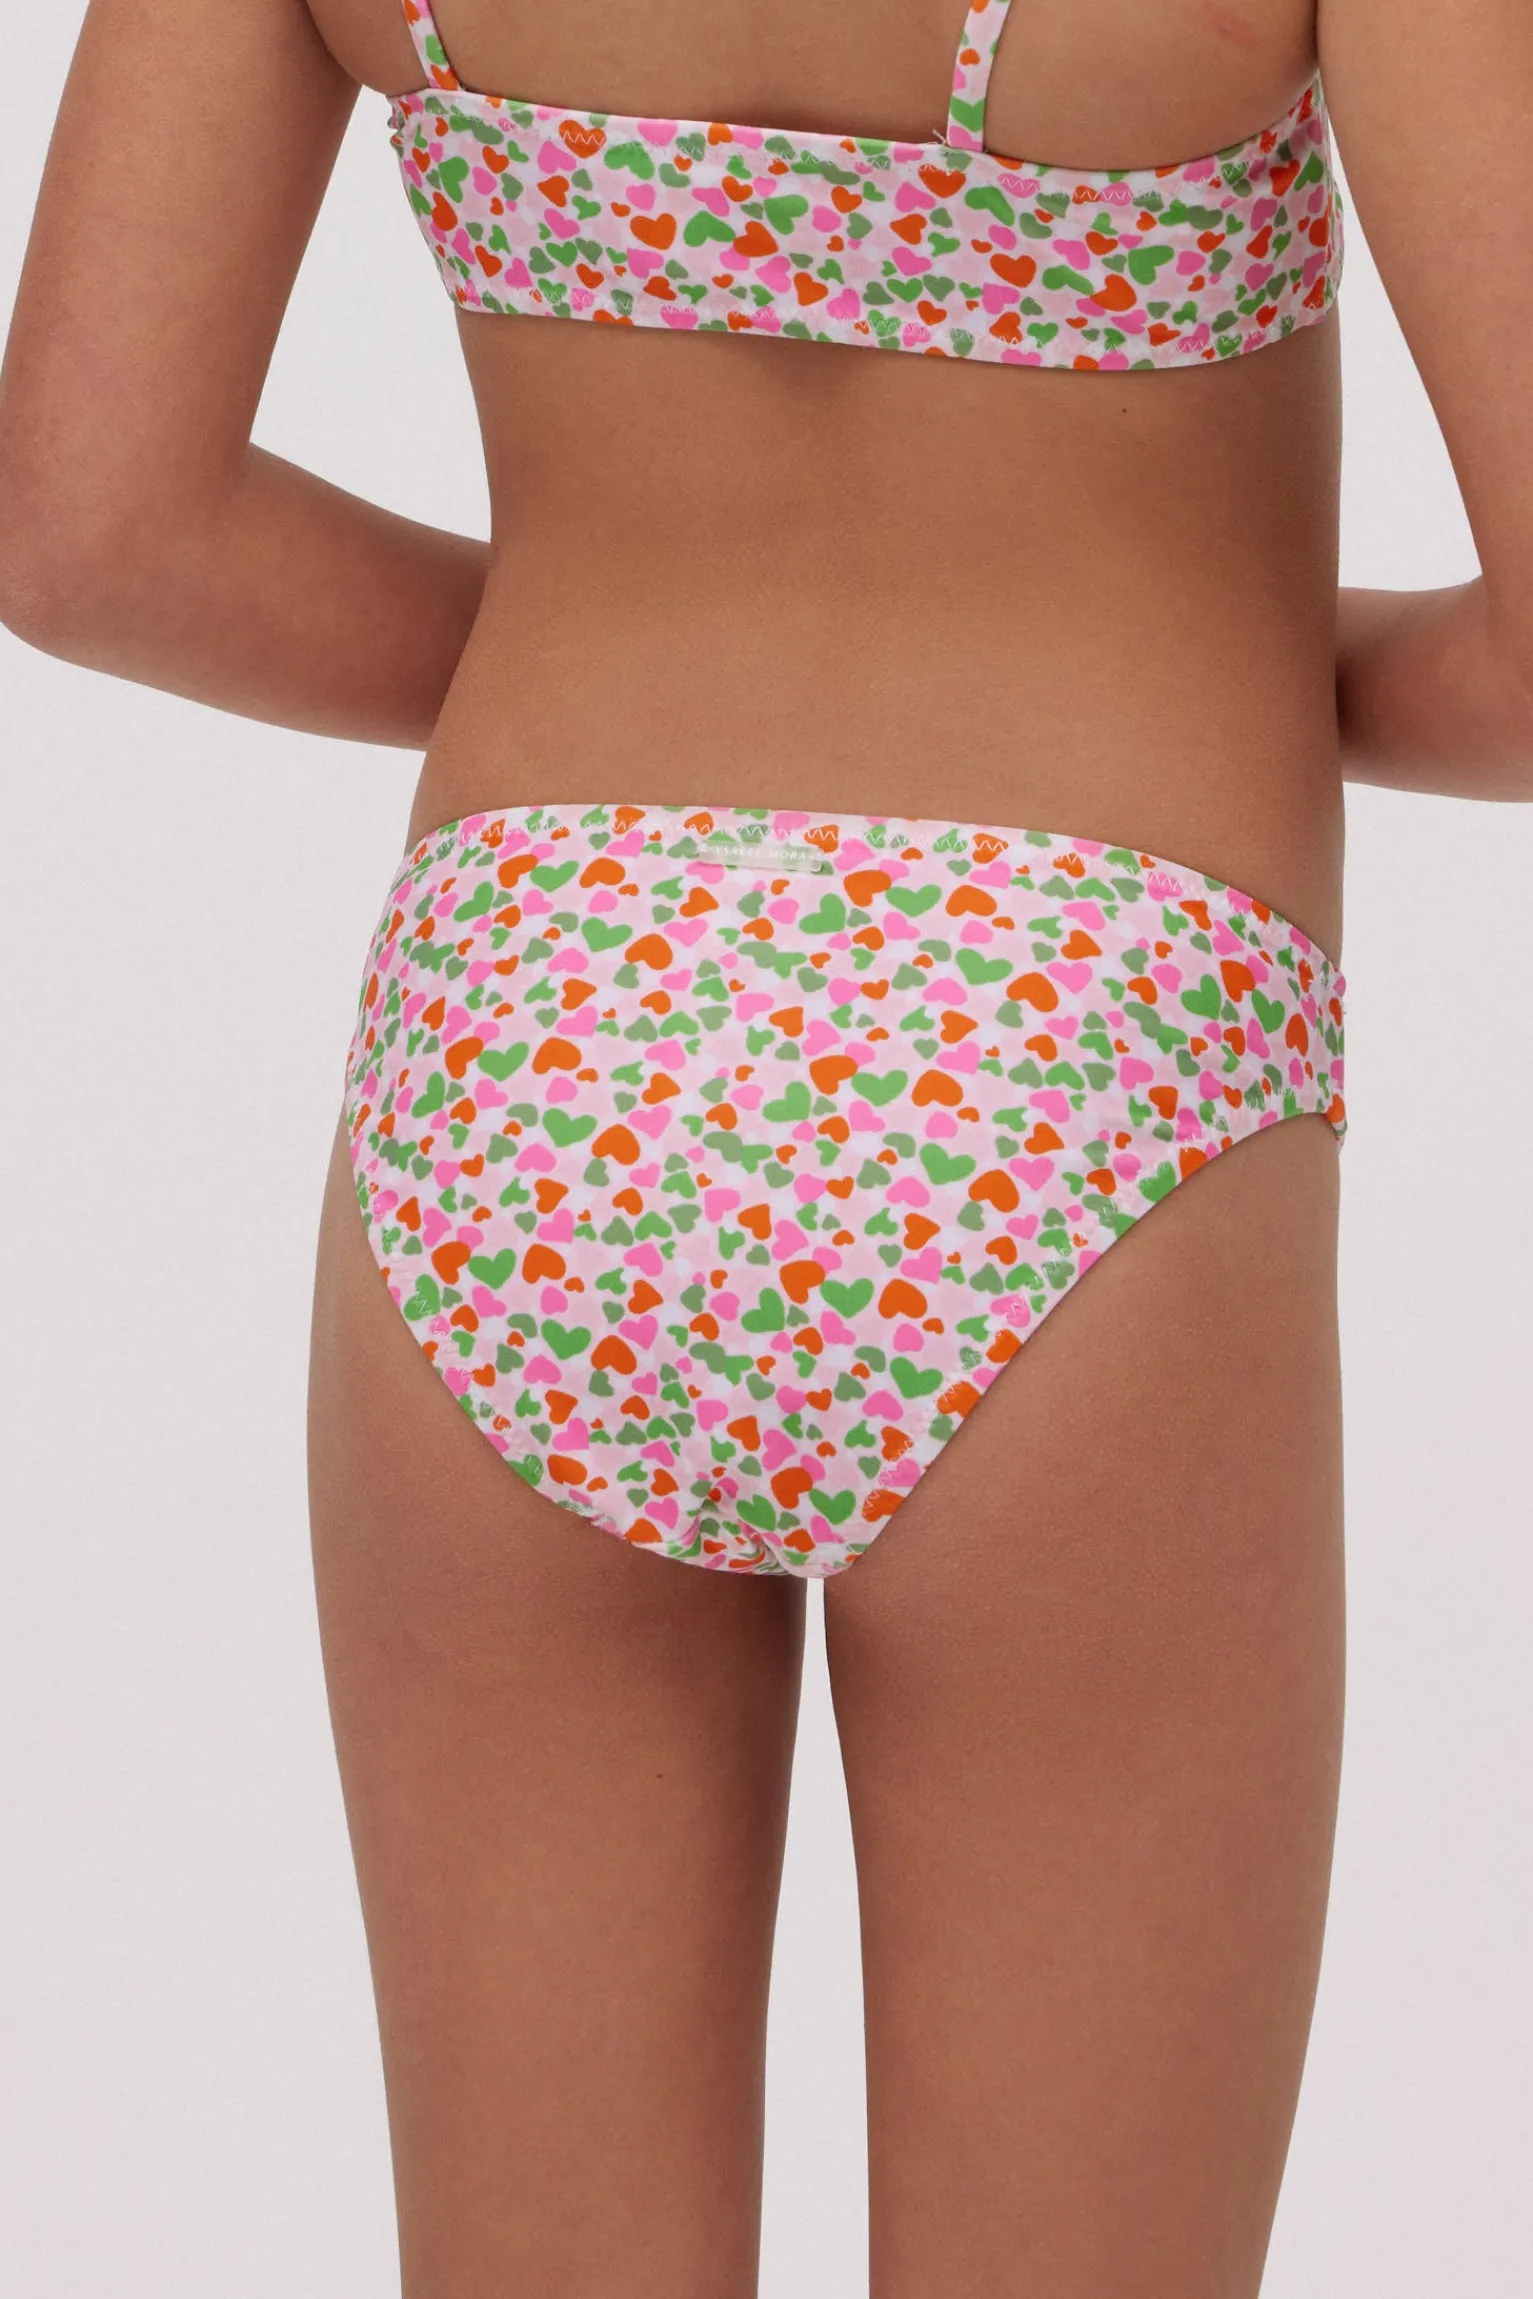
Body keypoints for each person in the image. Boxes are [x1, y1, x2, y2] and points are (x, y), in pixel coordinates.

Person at [2, 2, 1529, 2292]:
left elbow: (93, 532)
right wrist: (1199, 653)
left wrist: (611, 651)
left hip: (527, 1040)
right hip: (1072, 1047)